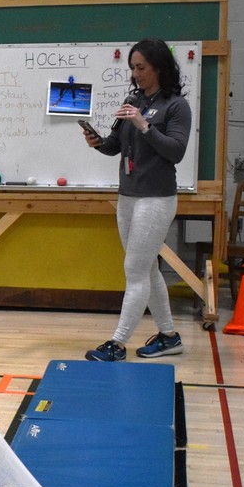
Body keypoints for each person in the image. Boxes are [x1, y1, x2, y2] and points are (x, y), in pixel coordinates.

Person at [83, 38, 191, 362]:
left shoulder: (176, 106)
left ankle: (118, 342)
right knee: (147, 270)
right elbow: (116, 144)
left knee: (134, 269)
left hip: (156, 199)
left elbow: (176, 151)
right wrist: (98, 142)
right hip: (128, 197)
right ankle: (169, 336)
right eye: (133, 67)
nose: (136, 73)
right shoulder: (134, 99)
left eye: (141, 67)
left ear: (158, 66)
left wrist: (144, 125)